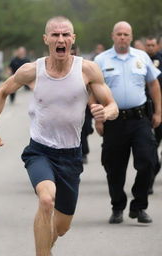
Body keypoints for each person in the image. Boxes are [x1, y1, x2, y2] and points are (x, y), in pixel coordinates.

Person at [0, 16, 118, 255]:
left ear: (73, 39)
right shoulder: (31, 71)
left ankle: (45, 246)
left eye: (66, 34)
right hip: (41, 151)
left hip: (71, 156)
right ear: (46, 39)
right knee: (46, 200)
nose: (61, 39)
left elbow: (112, 105)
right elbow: (2, 91)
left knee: (62, 227)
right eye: (55, 35)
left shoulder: (87, 69)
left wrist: (105, 112)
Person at [94, 21, 161, 224]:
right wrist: (97, 118)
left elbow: (153, 83)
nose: (122, 37)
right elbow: (92, 89)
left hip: (140, 119)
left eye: (126, 34)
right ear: (112, 36)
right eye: (119, 34)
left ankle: (139, 206)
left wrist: (158, 111)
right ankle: (118, 206)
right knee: (114, 167)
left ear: (131, 37)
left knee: (149, 161)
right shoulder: (100, 60)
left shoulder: (141, 57)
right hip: (113, 120)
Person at [145, 36, 162, 194]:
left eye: (153, 45)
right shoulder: (141, 61)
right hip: (151, 111)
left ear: (157, 46)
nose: (150, 47)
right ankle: (148, 182)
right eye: (148, 45)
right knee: (151, 151)